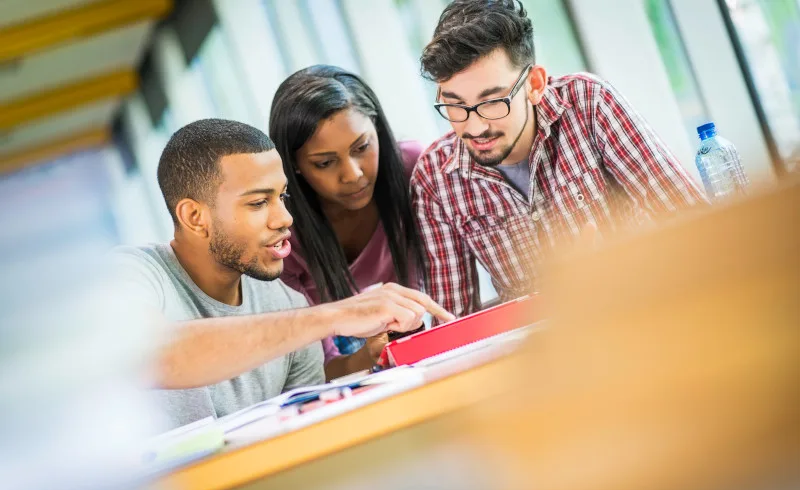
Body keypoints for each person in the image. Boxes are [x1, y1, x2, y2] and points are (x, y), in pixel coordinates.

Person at [113, 119, 453, 428]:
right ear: (195, 217)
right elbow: (152, 353)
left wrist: (370, 356)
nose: (285, 218)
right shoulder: (131, 274)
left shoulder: (284, 301)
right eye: (259, 203)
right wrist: (333, 316)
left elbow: (310, 426)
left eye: (282, 196)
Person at [411, 0, 708, 319]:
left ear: (534, 85)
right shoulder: (435, 179)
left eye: (493, 102)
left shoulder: (589, 104)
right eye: (455, 105)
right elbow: (452, 327)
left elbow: (697, 229)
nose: (474, 127)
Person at [270, 65, 427, 380]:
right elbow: (316, 369)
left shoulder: (414, 169)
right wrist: (371, 355)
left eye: (362, 147)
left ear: (377, 129)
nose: (353, 174)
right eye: (325, 162)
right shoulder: (282, 234)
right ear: (294, 166)